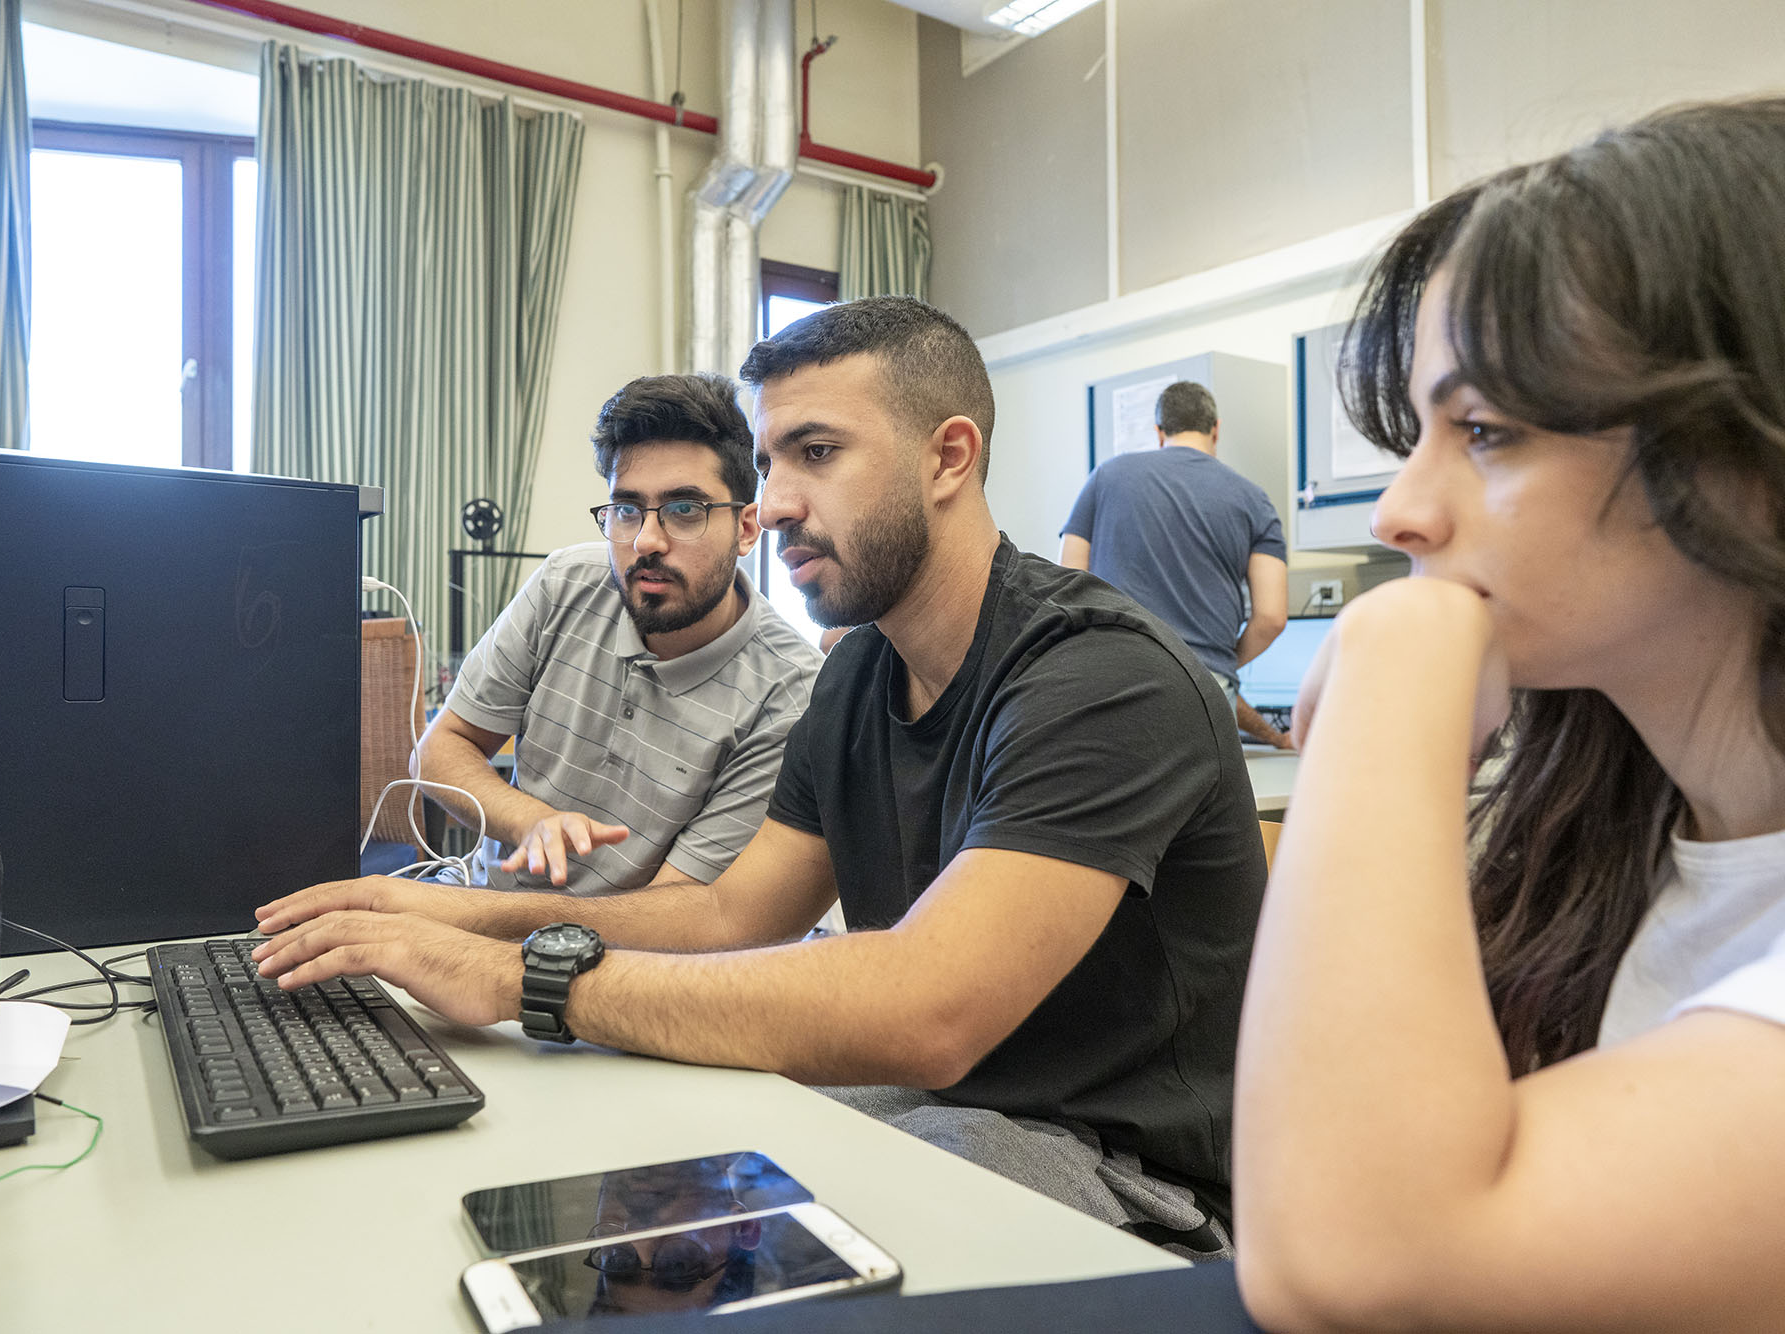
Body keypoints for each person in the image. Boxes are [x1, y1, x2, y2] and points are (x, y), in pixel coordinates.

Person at [251, 298, 1268, 1256]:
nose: (774, 504)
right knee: (601, 1165)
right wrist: (438, 920)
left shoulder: (1098, 673)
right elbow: (727, 914)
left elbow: (928, 1008)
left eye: (816, 454)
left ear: (947, 457)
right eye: (773, 458)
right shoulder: (861, 669)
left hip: (1114, 1171)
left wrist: (524, 980)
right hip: (937, 1109)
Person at [1233, 99, 1785, 1329]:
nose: (1397, 513)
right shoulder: (1613, 825)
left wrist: (1390, 652)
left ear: (1747, 469)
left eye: (1482, 431)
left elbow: (1358, 1259)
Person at [415, 373, 821, 893]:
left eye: (684, 510)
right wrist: (530, 820)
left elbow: (677, 914)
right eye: (628, 510)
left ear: (745, 529)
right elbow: (439, 748)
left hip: (628, 964)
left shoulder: (791, 693)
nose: (647, 540)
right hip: (488, 916)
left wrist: (473, 926)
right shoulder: (566, 584)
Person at [1059, 381, 1289, 745]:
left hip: (1111, 678)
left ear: (1159, 432)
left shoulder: (1107, 476)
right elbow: (1272, 617)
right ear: (1216, 429)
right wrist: (1221, 663)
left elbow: (1069, 584)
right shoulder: (1254, 500)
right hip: (1204, 687)